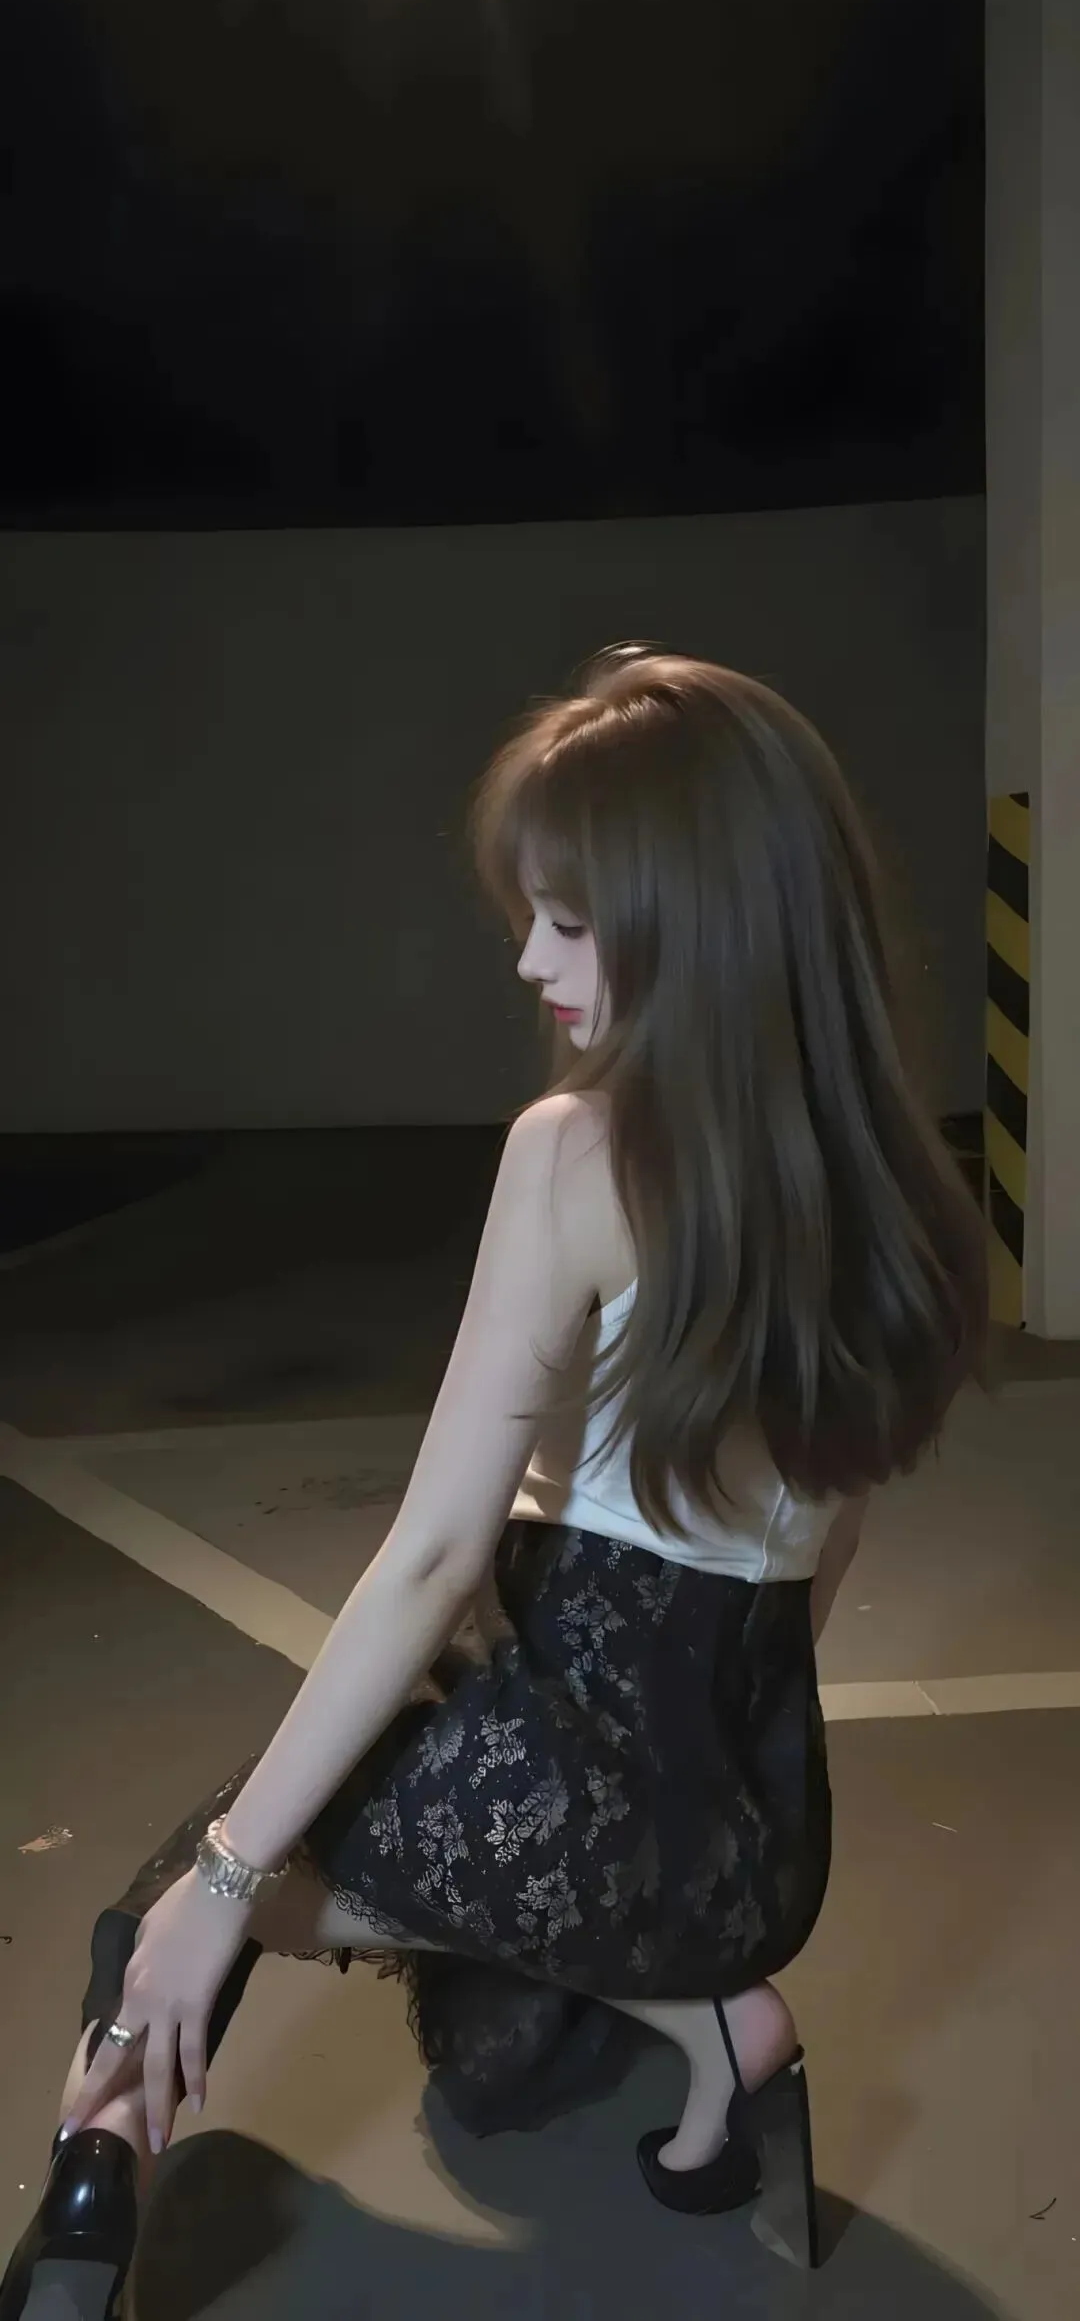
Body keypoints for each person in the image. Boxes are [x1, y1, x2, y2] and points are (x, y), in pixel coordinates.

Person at [2, 650, 986, 2314]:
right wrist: (695, 1790)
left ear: (698, 921)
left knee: (168, 1904)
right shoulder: (885, 1182)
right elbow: (823, 1544)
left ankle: (90, 2193)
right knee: (494, 2045)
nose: (530, 956)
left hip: (569, 1776)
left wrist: (224, 1881)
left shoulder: (575, 1152)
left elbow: (434, 1556)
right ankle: (721, 2025)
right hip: (757, 1838)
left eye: (570, 921)